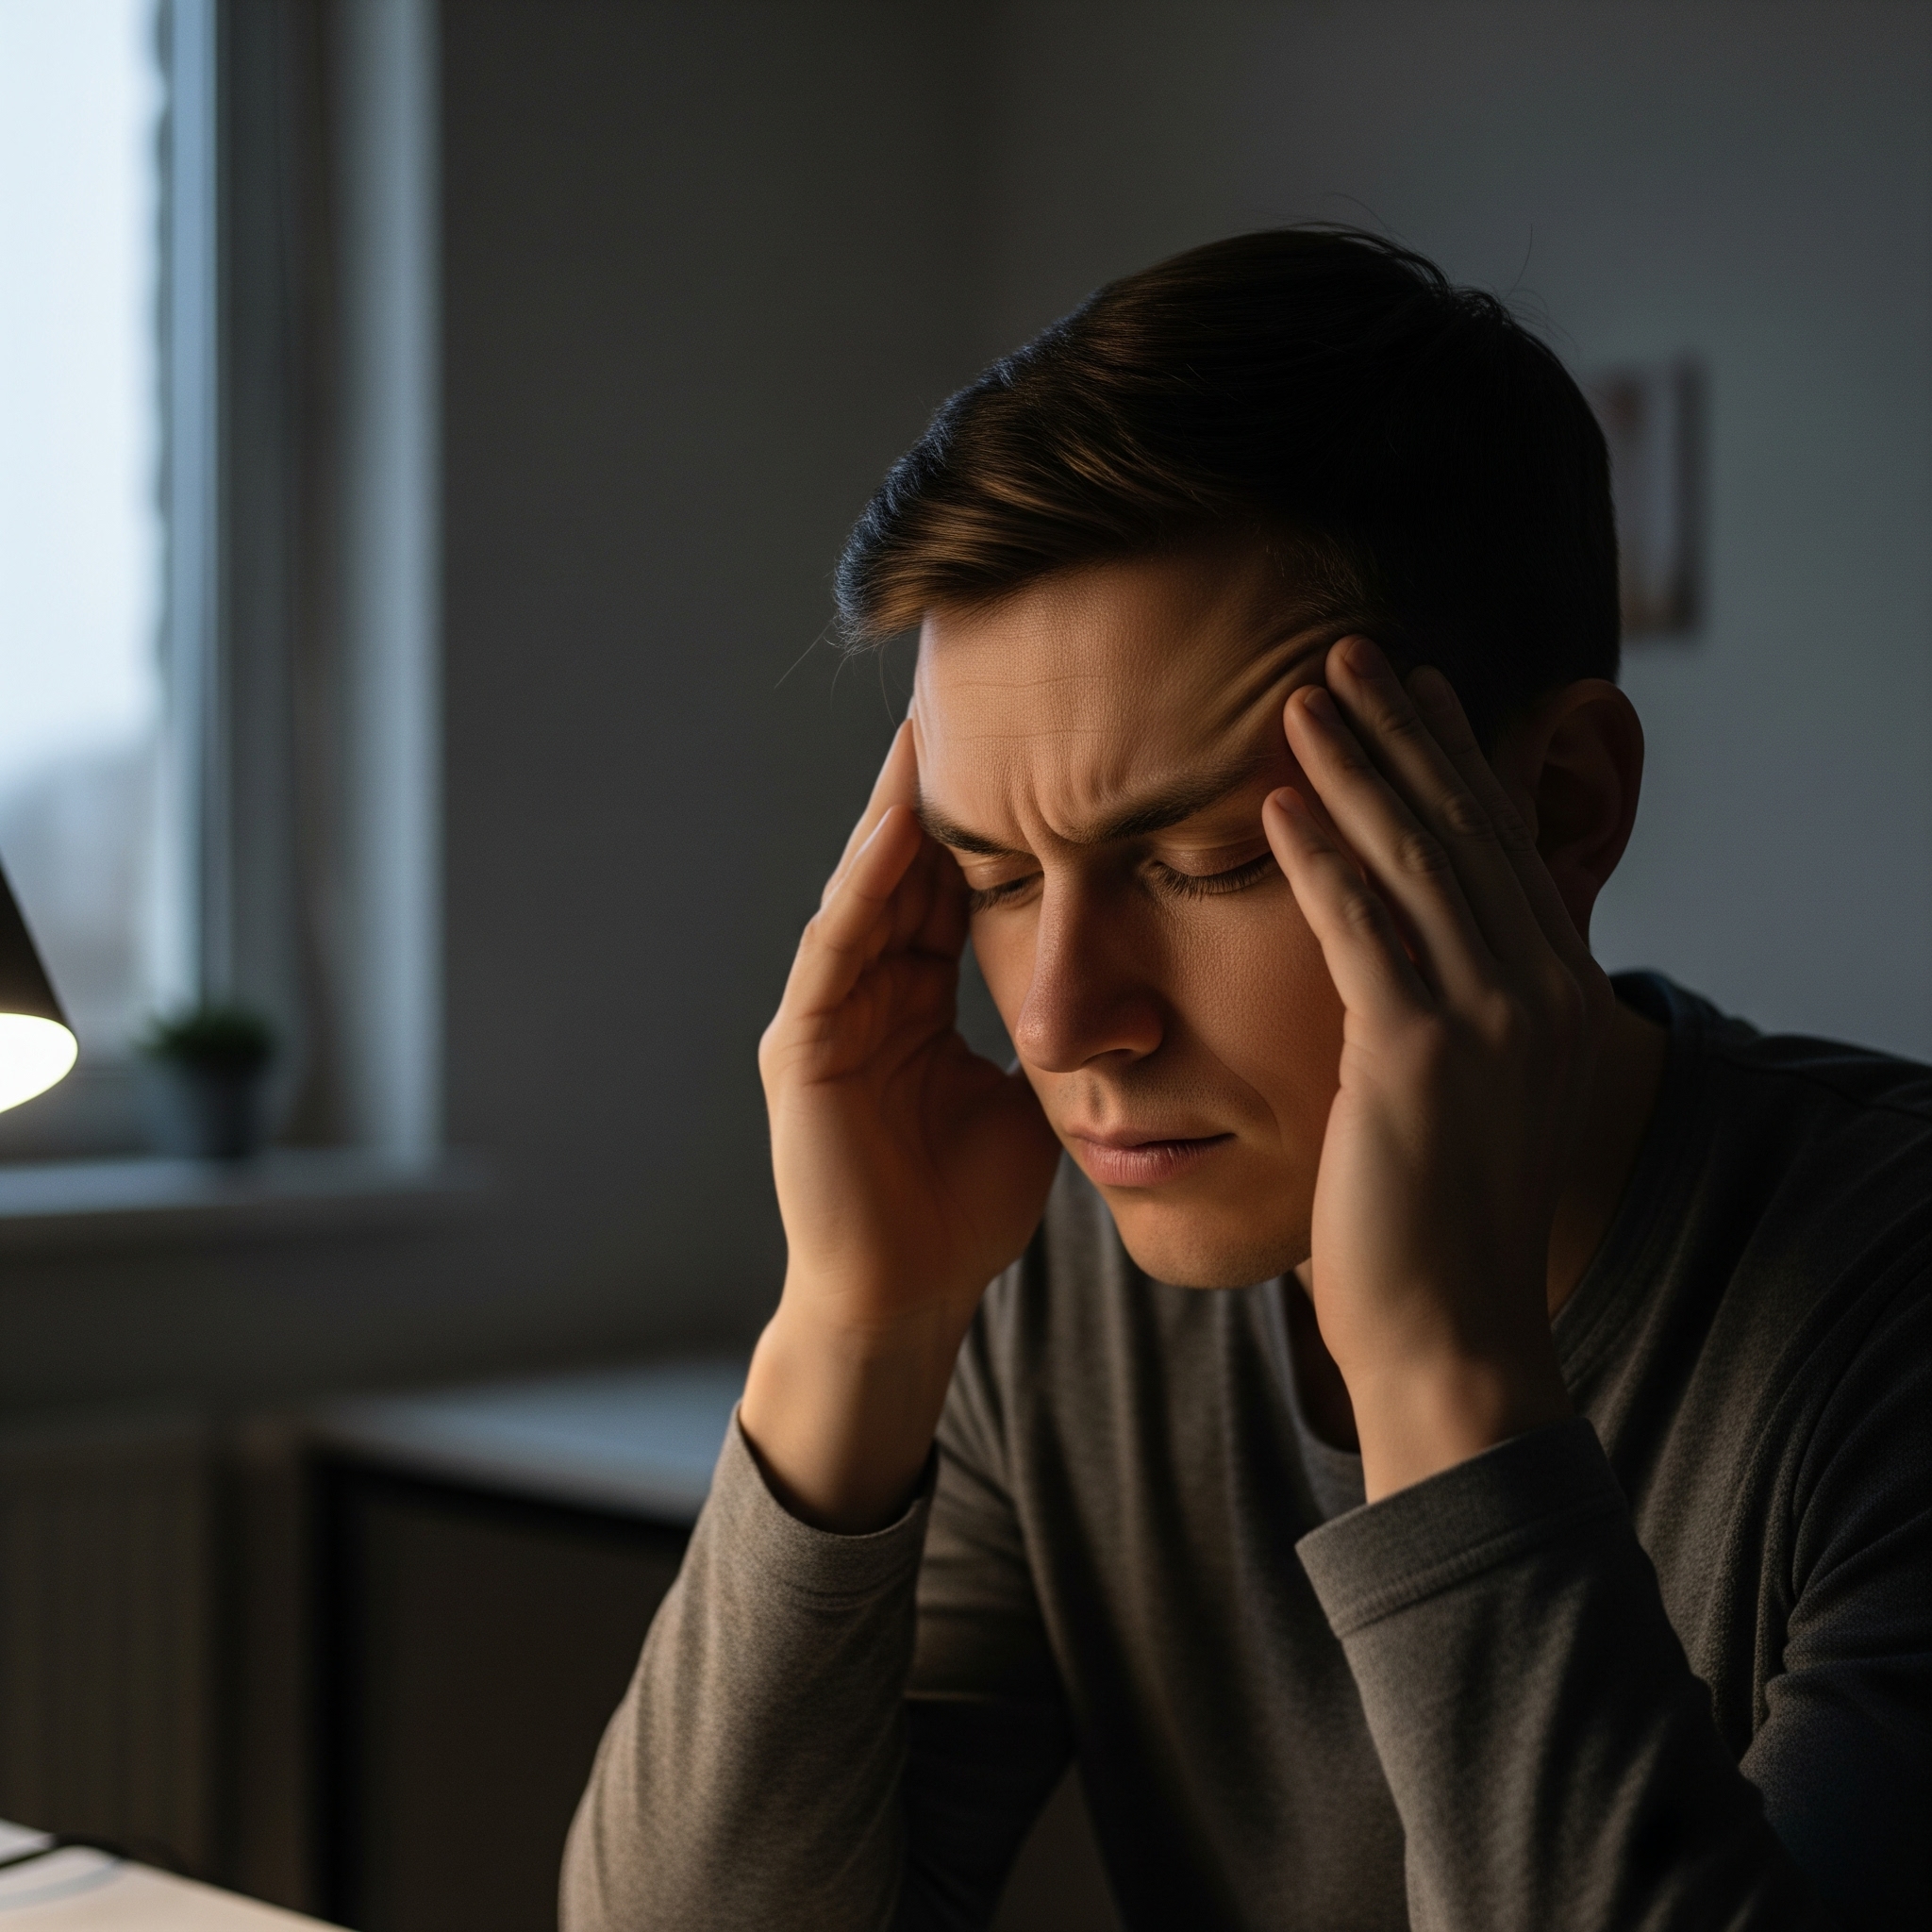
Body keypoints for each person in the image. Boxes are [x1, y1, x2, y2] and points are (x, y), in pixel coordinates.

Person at [560, 229, 1930, 1931]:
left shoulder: (1890, 1316)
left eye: (1207, 861)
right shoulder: (1063, 1286)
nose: (1060, 1023)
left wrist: (1439, 1372)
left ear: (1562, 809)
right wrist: (854, 1321)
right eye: (988, 876)